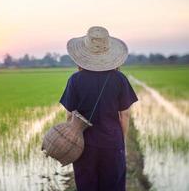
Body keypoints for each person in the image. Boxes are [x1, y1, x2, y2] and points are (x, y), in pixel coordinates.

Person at [59, 26, 138, 191]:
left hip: (83, 146)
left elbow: (69, 116)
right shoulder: (119, 79)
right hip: (112, 143)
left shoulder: (75, 80)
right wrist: (119, 141)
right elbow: (125, 115)